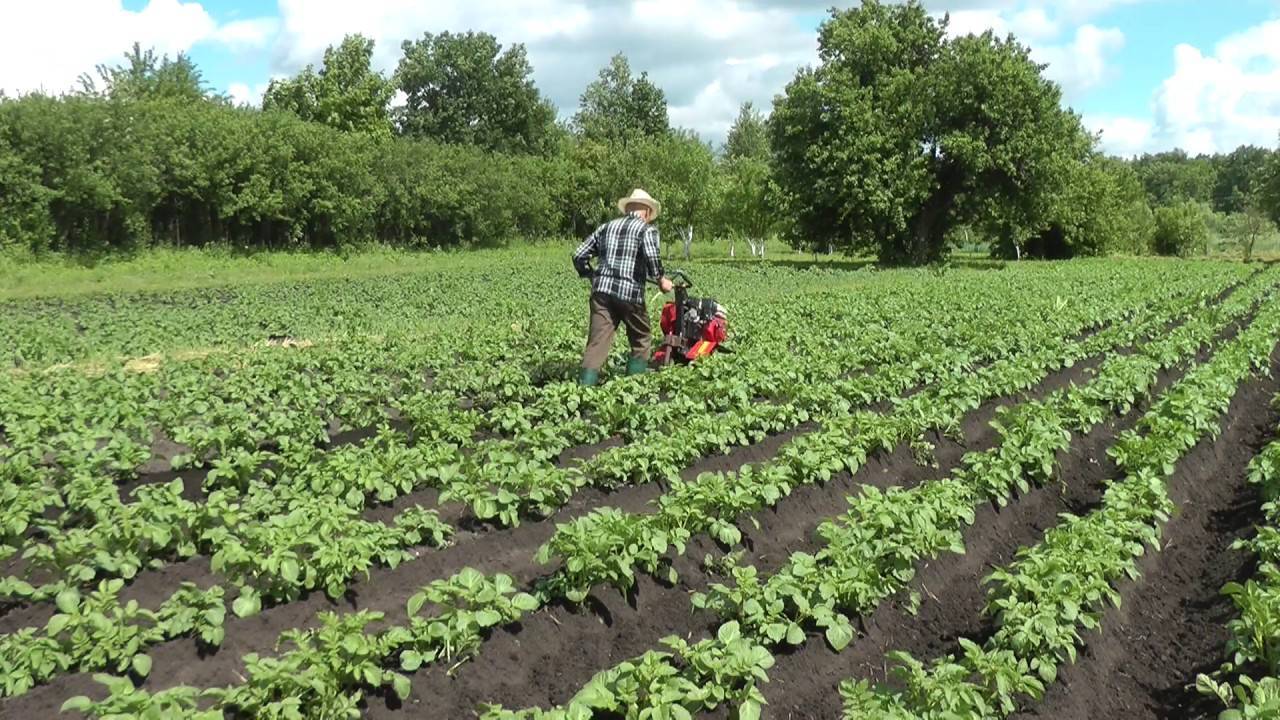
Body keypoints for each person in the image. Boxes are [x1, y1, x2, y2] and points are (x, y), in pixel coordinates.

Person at [572, 188, 674, 386]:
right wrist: (661, 280)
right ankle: (632, 387)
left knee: (597, 341)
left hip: (601, 293)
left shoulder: (606, 227)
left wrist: (591, 275)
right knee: (641, 338)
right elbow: (652, 258)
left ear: (628, 208)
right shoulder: (646, 230)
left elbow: (578, 255)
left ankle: (583, 388)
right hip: (629, 294)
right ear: (646, 211)